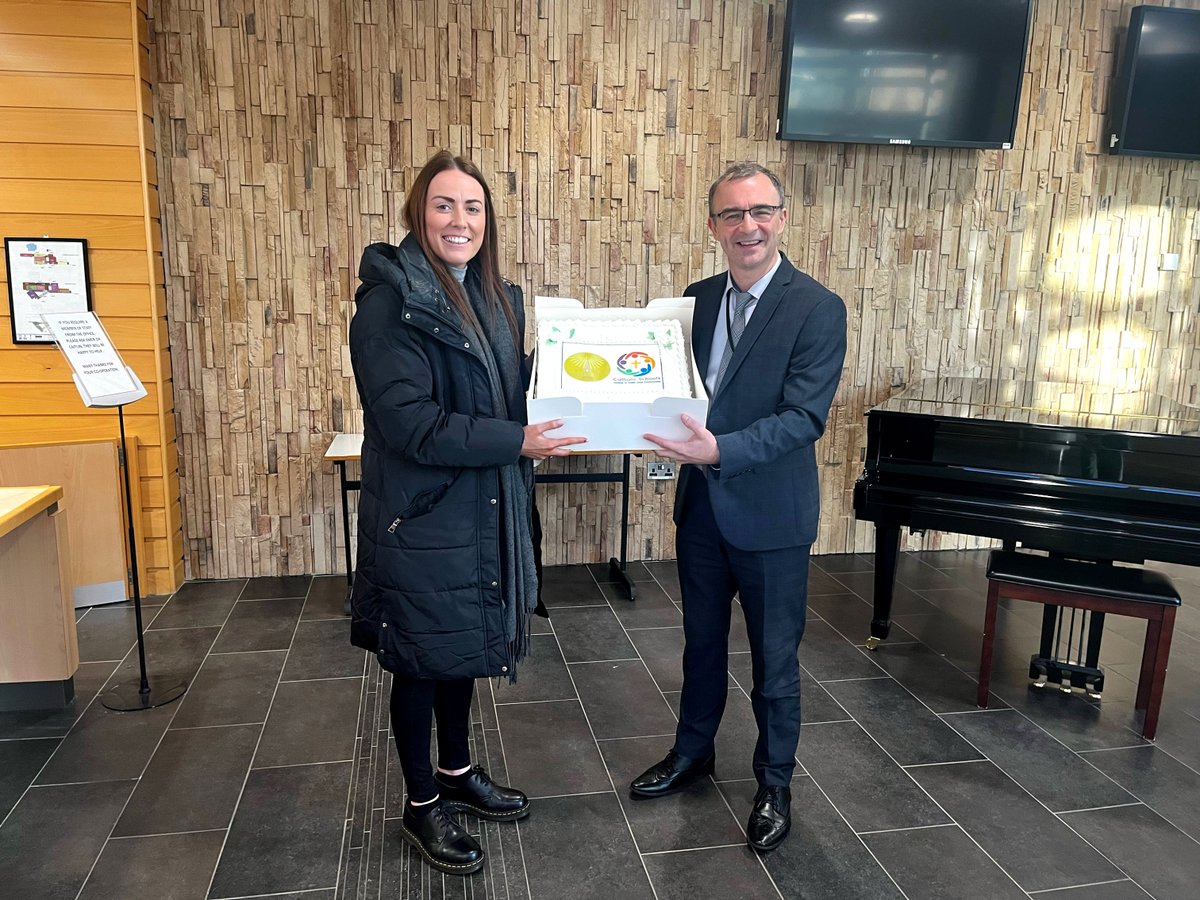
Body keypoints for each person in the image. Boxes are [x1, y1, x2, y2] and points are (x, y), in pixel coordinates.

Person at [348, 150, 584, 875]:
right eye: (445, 204)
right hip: (423, 518)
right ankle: (422, 806)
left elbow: (506, 394)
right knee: (421, 660)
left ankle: (456, 772)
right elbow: (409, 423)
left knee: (461, 649)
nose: (460, 219)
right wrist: (520, 438)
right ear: (420, 212)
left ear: (489, 220)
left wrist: (579, 364)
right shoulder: (390, 304)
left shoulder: (496, 298)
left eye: (473, 207)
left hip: (481, 508)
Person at [631, 162, 847, 852]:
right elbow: (671, 397)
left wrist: (716, 451)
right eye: (731, 214)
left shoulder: (817, 308)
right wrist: (642, 434)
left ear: (782, 218)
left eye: (761, 212)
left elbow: (802, 418)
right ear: (712, 226)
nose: (747, 226)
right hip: (701, 513)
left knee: (773, 661)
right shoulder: (690, 303)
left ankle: (774, 782)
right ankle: (693, 754)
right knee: (700, 647)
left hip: (772, 517)